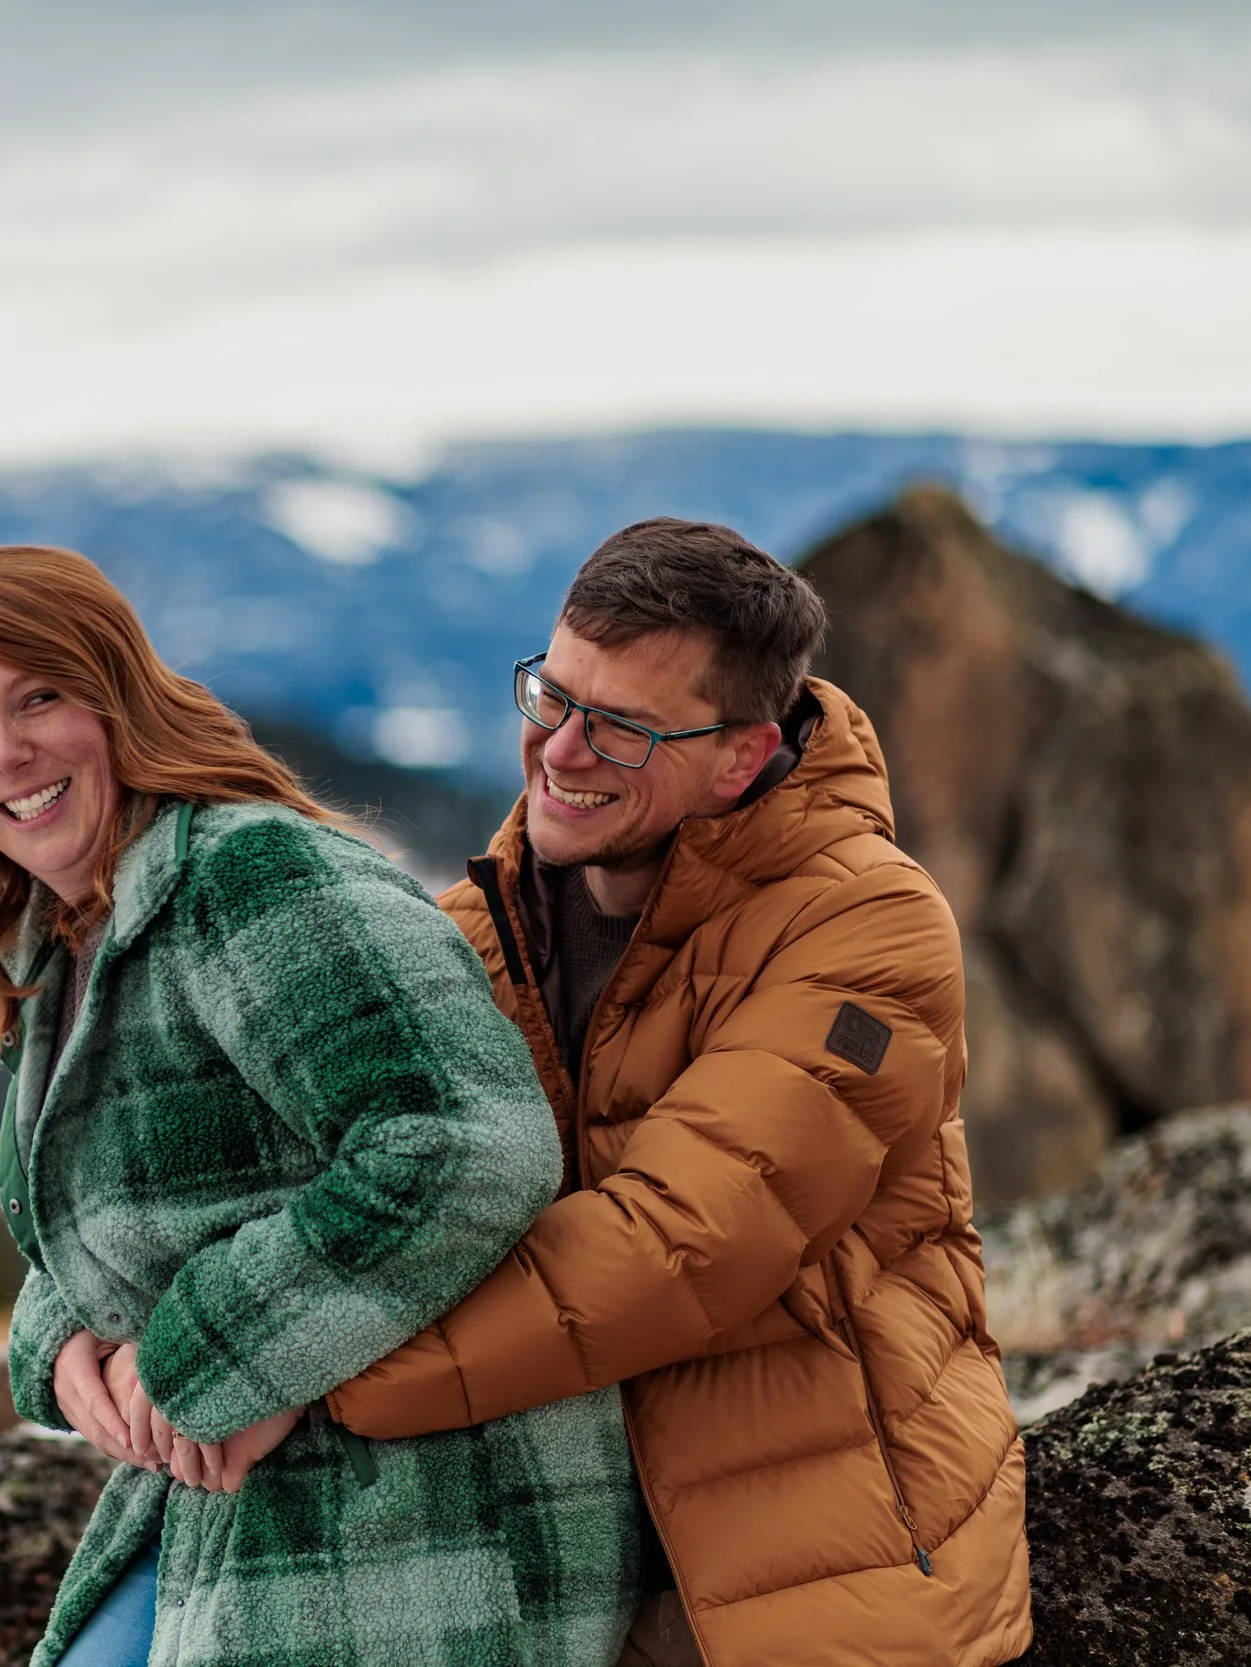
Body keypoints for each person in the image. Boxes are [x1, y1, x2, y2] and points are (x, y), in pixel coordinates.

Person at [0, 544, 642, 1665]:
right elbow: (107, 1236)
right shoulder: (63, 940)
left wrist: (210, 1361)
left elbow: (468, 1141)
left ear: (113, 695)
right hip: (241, 1503)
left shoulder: (247, 876)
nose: (4, 751)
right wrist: (61, 1339)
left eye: (38, 697)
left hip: (428, 1518)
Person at [314, 520, 1032, 1667]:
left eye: (623, 727)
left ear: (742, 755)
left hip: (812, 1530)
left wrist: (305, 1382)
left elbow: (683, 1243)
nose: (560, 750)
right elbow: (281, 1170)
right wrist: (93, 1341)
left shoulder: (866, 924)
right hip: (551, 1494)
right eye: (551, 695)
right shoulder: (475, 929)